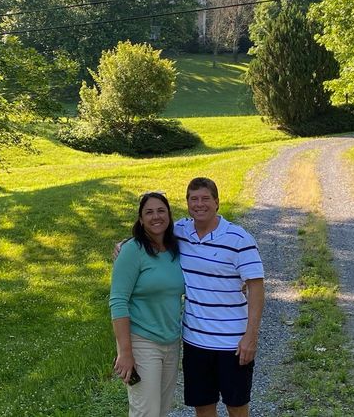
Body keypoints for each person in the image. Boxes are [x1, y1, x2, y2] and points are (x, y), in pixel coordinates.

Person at [176, 177, 264, 417]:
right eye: (194, 199)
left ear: (217, 202)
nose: (199, 204)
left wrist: (251, 337)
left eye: (205, 198)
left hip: (232, 343)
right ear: (187, 203)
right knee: (203, 407)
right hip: (195, 342)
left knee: (236, 408)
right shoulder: (181, 231)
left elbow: (256, 288)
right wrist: (125, 243)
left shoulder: (239, 239)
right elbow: (151, 232)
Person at [109, 191, 185, 417]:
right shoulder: (132, 251)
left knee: (161, 410)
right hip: (142, 343)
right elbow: (118, 301)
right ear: (141, 219)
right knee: (146, 412)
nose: (156, 217)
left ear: (169, 215)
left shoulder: (176, 249)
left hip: (171, 341)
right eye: (149, 212)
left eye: (161, 211)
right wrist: (125, 352)